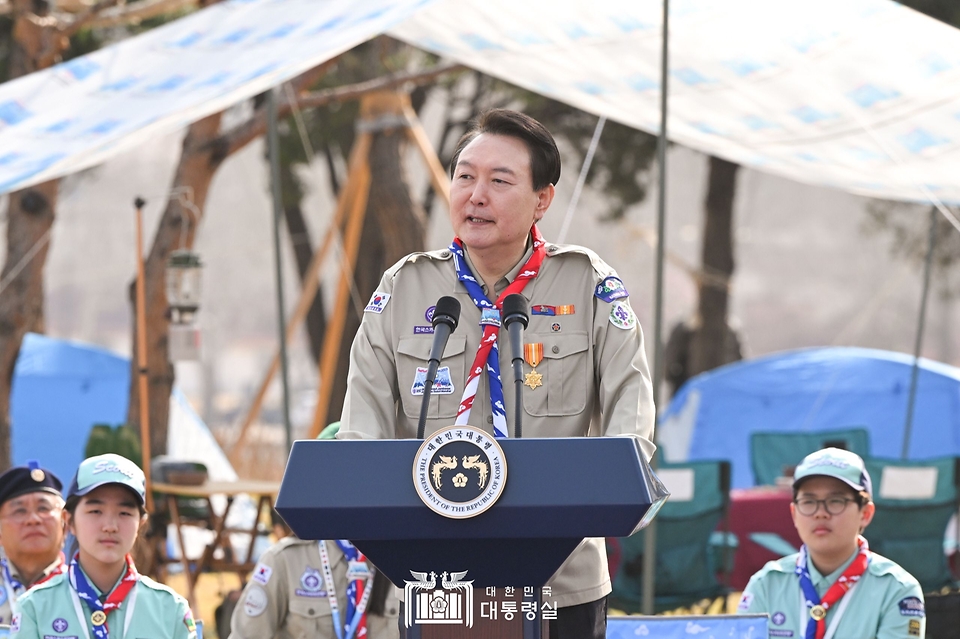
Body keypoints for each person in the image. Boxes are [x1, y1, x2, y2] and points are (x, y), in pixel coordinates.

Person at [338, 108, 656, 639]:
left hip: (561, 579)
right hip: (436, 578)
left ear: (542, 199)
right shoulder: (406, 287)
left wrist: (613, 490)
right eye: (465, 176)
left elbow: (632, 406)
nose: (475, 194)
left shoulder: (587, 284)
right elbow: (362, 417)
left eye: (499, 180)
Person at [228, 423, 400, 639]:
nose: (348, 488)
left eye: (360, 474)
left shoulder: (403, 563)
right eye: (333, 476)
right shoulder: (285, 562)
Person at [738, 448, 926, 639]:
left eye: (836, 501)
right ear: (794, 513)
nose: (820, 513)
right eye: (809, 501)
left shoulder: (896, 590)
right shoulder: (766, 585)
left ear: (865, 514)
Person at [12, 453, 197, 639]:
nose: (110, 526)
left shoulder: (171, 610)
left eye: (124, 513)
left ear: (140, 524)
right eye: (95, 511)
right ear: (69, 520)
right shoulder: (34, 607)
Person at [0, 461, 66, 625]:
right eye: (19, 511)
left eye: (43, 509)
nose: (33, 520)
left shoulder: (85, 589)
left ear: (65, 524)